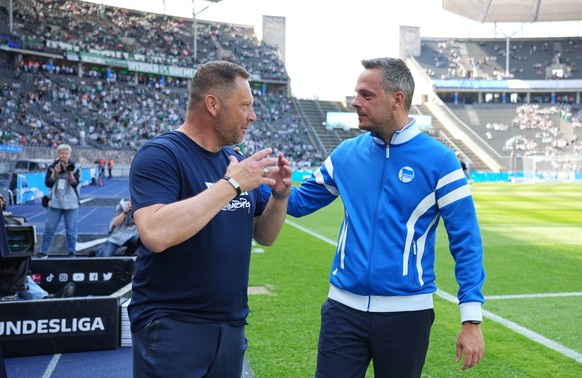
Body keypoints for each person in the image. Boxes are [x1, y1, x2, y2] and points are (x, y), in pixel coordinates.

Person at [287, 57, 486, 377]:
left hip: (407, 315)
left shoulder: (441, 161)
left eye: (366, 95)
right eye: (356, 94)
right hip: (342, 310)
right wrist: (257, 186)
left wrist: (471, 319)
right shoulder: (345, 154)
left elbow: (466, 241)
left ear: (397, 99)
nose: (355, 102)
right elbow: (297, 203)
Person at [128, 60, 293, 377]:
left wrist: (280, 195)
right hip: (173, 326)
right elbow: (155, 232)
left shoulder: (235, 162)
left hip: (230, 326)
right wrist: (230, 185)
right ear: (213, 104)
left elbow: (265, 235)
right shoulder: (161, 154)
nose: (252, 116)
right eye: (245, 106)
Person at [37, 144, 81, 258]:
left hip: (71, 203)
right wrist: (54, 173)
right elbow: (48, 183)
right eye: (61, 153)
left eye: (66, 153)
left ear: (69, 155)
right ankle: (43, 251)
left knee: (71, 230)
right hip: (55, 202)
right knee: (49, 228)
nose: (64, 155)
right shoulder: (52, 166)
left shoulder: (75, 166)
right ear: (58, 154)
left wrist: (69, 172)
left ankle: (71, 252)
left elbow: (76, 184)